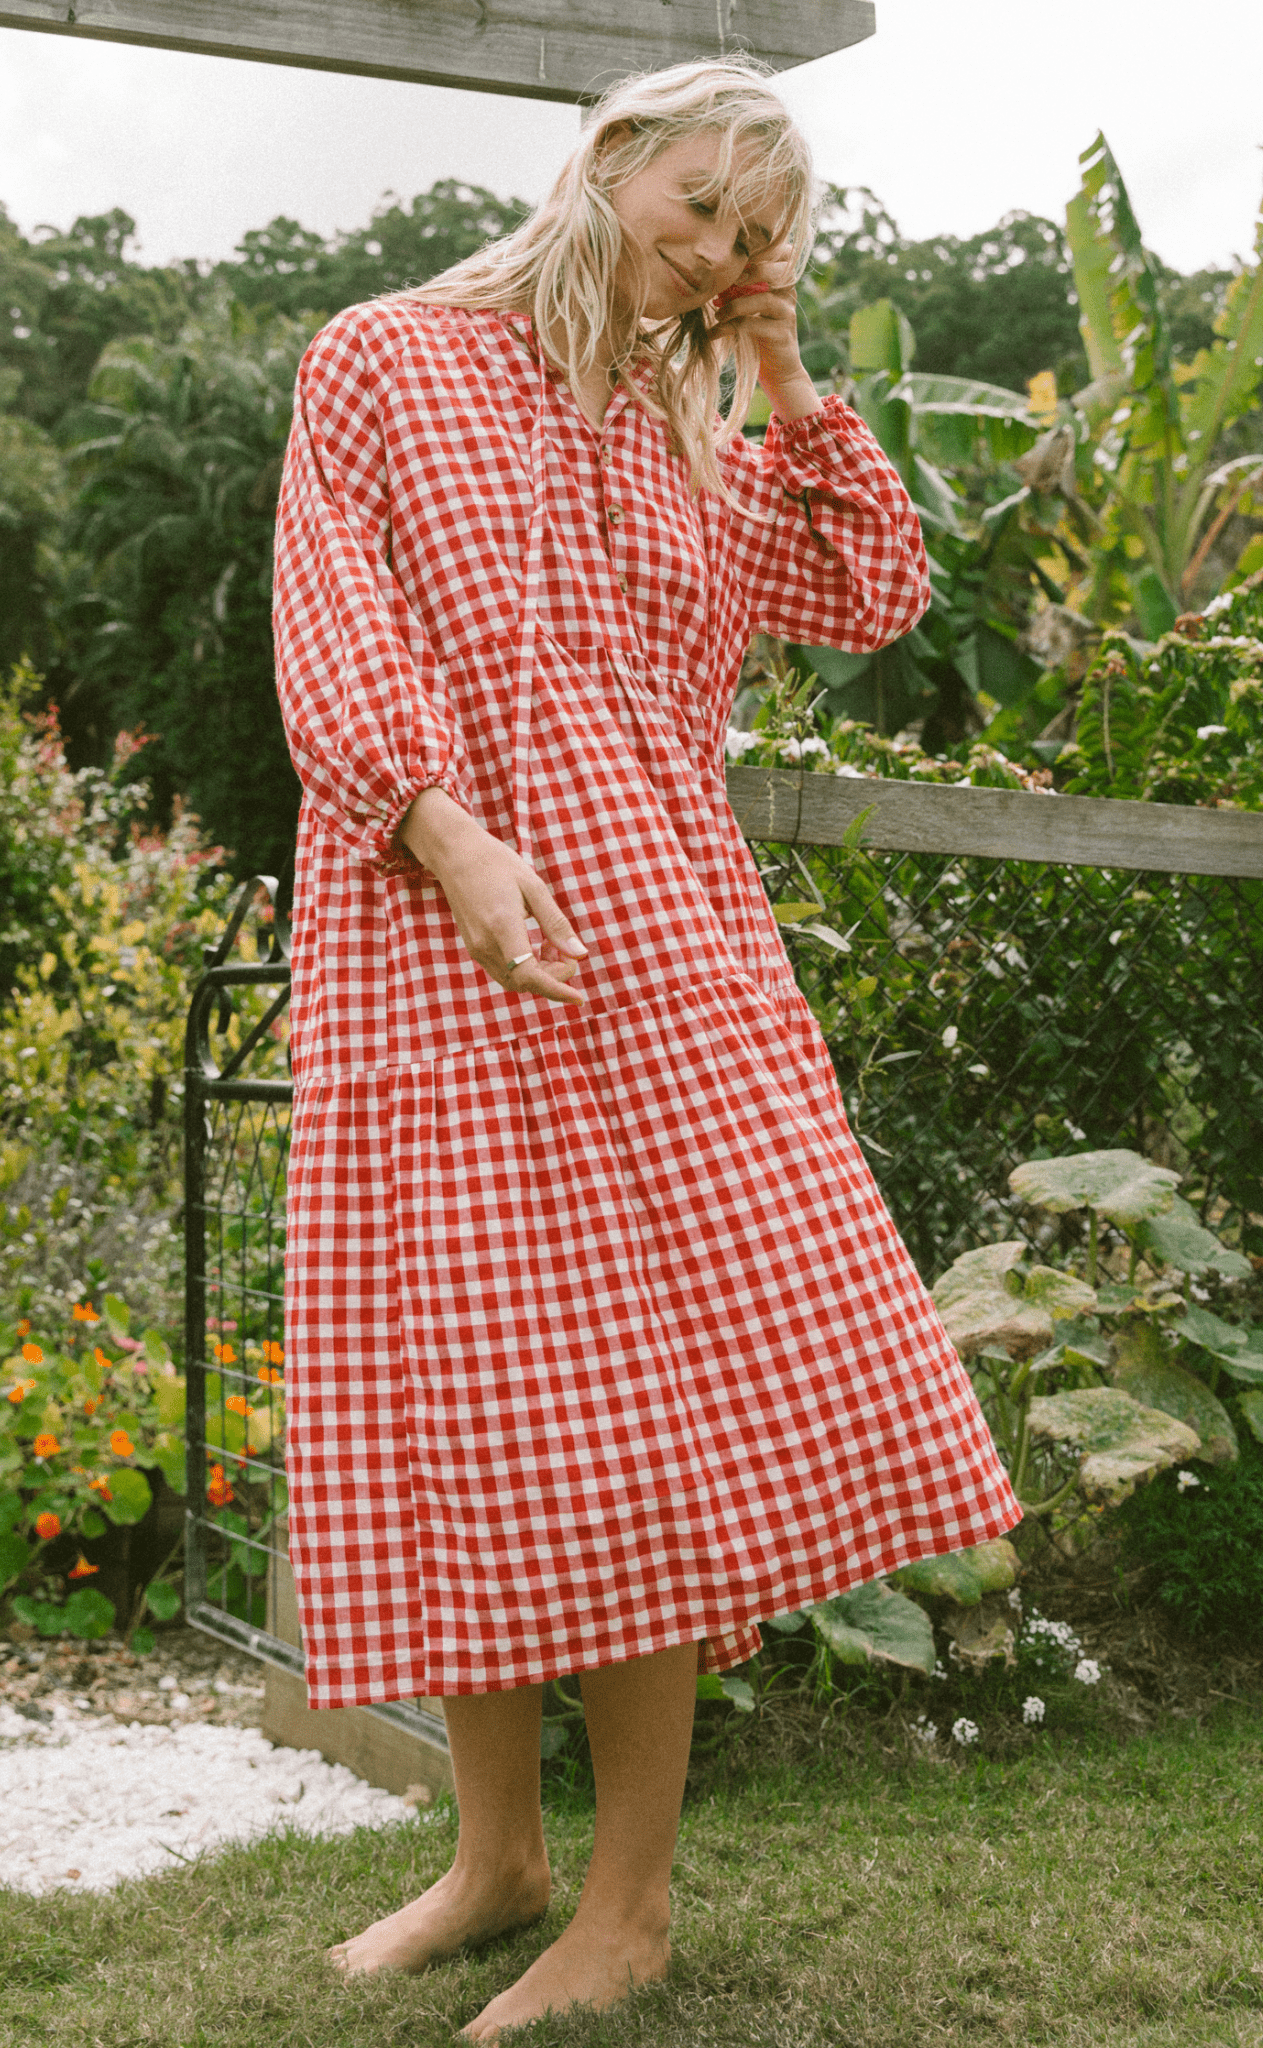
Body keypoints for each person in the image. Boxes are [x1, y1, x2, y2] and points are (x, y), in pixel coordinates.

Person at [270, 56, 1020, 2040]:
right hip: (432, 920)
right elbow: (330, 622)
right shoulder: (382, 359)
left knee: (637, 1407)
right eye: (700, 213)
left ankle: (632, 1901)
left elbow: (872, 588)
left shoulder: (686, 424)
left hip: (656, 955)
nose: (716, 255)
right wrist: (447, 832)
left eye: (758, 239)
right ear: (606, 167)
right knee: (477, 1383)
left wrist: (773, 358)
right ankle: (497, 1857)